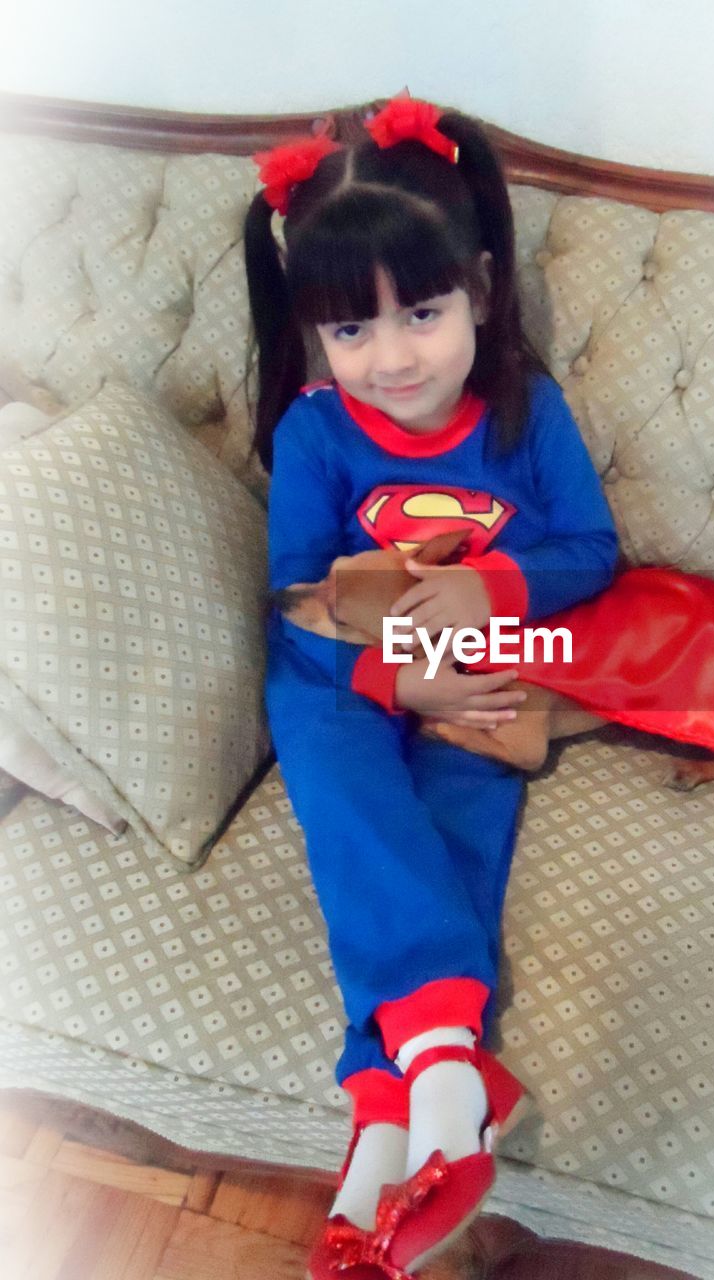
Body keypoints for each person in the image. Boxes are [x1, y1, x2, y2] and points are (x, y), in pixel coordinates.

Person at [244, 93, 620, 1279]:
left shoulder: (528, 411)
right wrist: (394, 683)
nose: (391, 356)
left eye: (422, 311)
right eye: (350, 330)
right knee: (340, 783)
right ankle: (449, 1080)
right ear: (314, 333)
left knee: (457, 814)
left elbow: (590, 551)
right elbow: (299, 594)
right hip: (352, 678)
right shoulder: (316, 435)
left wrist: (495, 586)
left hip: (483, 678)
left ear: (482, 292)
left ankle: (383, 1134)